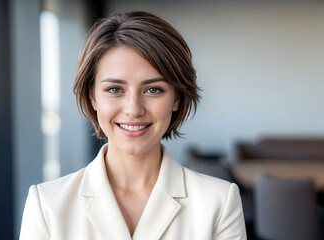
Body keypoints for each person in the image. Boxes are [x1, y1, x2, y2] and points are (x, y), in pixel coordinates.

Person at [20, 11, 247, 240]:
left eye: (153, 89)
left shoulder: (219, 202)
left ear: (176, 98)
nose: (134, 109)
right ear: (92, 97)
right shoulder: (47, 205)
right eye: (115, 89)